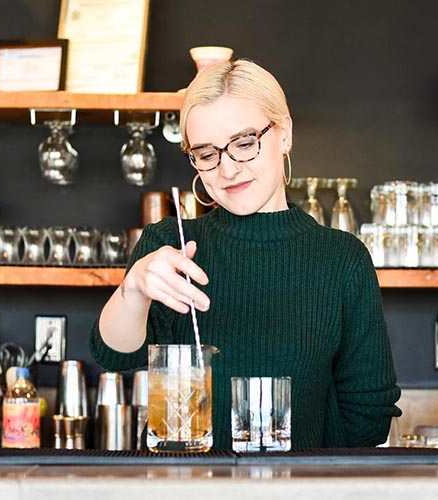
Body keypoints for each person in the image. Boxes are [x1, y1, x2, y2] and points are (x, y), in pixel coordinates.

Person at [90, 59, 400, 449]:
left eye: (244, 143)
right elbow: (114, 355)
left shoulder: (342, 259)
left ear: (283, 134)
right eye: (206, 154)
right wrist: (132, 290)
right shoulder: (173, 244)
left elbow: (368, 419)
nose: (228, 170)